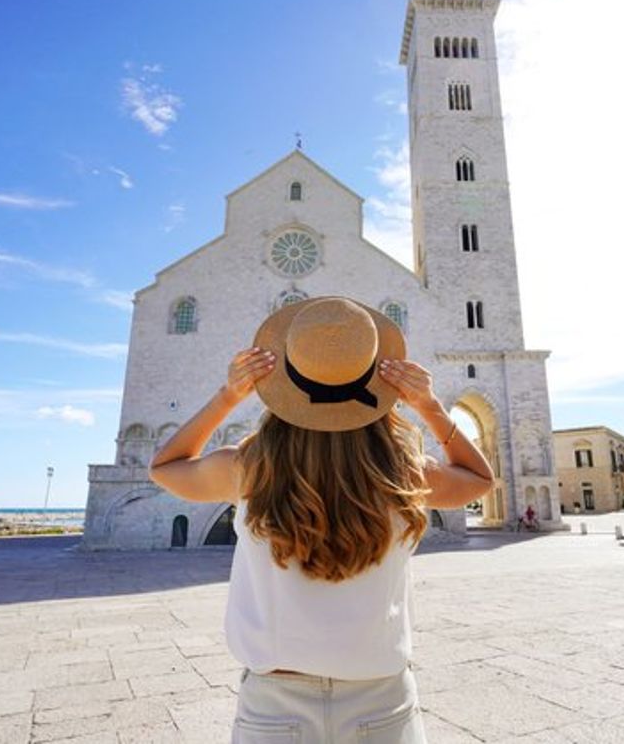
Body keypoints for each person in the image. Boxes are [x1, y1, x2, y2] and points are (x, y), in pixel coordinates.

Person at [149, 297, 494, 742]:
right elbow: (479, 478)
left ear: (283, 387)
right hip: (383, 701)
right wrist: (429, 405)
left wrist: (228, 395)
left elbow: (166, 467)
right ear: (376, 384)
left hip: (274, 706)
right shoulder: (405, 472)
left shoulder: (249, 468)